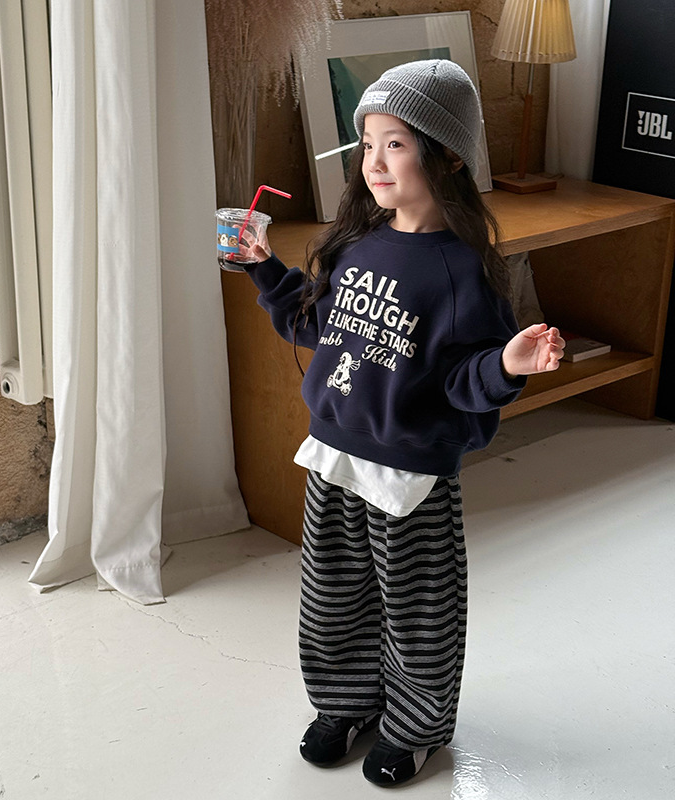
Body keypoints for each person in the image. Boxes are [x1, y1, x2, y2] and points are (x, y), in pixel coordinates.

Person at [237, 59, 565, 787]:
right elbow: (317, 325)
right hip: (333, 458)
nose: (375, 162)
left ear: (446, 157)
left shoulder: (462, 272)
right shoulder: (357, 243)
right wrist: (264, 267)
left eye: (396, 144)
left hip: (411, 474)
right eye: (368, 144)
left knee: (419, 610)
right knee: (332, 597)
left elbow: (463, 380)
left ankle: (415, 727)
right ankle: (346, 704)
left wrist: (507, 363)